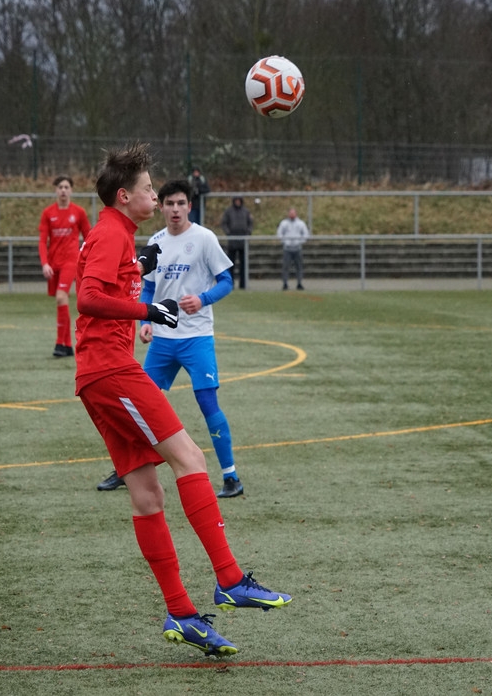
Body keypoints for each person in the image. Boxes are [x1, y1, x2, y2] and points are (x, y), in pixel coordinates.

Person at [75, 143, 290, 656]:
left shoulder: (119, 234)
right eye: (150, 189)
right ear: (126, 196)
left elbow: (114, 281)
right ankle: (230, 580)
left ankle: (182, 615)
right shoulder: (109, 232)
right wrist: (149, 313)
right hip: (112, 371)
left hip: (98, 376)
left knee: (148, 496)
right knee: (191, 458)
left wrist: (136, 270)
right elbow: (87, 297)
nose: (157, 194)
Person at [96, 180, 244, 499]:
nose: (175, 209)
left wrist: (203, 299)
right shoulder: (156, 241)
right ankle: (126, 470)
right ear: (160, 206)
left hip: (196, 337)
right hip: (162, 339)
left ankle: (231, 476)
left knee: (207, 403)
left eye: (180, 203)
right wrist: (145, 320)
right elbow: (147, 287)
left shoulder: (204, 239)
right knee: (137, 407)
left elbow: (227, 280)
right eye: (169, 203)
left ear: (189, 206)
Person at [38, 175, 91, 357]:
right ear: (55, 190)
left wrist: (84, 258)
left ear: (71, 190)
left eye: (66, 187)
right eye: (60, 187)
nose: (63, 190)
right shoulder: (48, 213)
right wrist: (45, 263)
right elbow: (42, 241)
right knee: (61, 301)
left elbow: (89, 237)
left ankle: (59, 344)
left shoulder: (78, 212)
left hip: (71, 262)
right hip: (54, 264)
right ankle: (67, 345)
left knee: (61, 297)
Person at [220, 196, 253, 289]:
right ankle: (231, 284)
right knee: (231, 264)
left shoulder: (246, 211)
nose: (238, 202)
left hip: (243, 242)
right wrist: (228, 232)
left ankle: (243, 284)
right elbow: (224, 223)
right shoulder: (229, 211)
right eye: (236, 201)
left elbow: (250, 223)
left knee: (243, 264)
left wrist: (248, 232)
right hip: (232, 241)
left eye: (239, 201)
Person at [276, 207, 310, 290]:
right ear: (288, 214)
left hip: (297, 248)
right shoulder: (284, 223)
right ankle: (285, 283)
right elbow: (279, 233)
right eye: (290, 213)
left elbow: (305, 234)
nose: (292, 215)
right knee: (285, 267)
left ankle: (299, 283)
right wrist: (285, 241)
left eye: (293, 213)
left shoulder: (301, 223)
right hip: (287, 249)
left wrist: (299, 242)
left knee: (299, 267)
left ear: (296, 214)